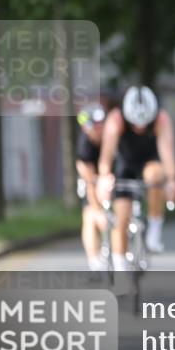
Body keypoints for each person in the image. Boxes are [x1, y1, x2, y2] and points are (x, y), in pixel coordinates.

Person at [97, 86, 175, 267]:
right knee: (122, 217)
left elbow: (167, 153)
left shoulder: (161, 119)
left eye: (144, 124)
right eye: (135, 124)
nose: (140, 127)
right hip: (125, 166)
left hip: (148, 163)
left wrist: (172, 180)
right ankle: (120, 271)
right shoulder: (116, 119)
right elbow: (107, 154)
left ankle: (154, 229)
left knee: (156, 174)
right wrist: (104, 176)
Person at [75, 103, 108, 274]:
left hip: (108, 176)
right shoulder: (85, 146)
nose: (99, 130)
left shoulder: (111, 137)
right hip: (90, 177)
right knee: (90, 216)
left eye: (102, 126)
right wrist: (98, 211)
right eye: (95, 127)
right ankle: (93, 259)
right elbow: (89, 183)